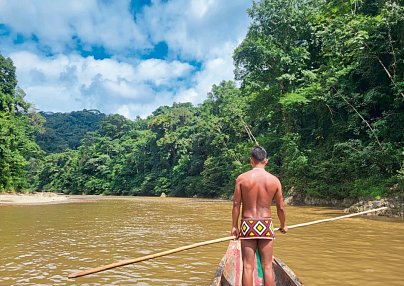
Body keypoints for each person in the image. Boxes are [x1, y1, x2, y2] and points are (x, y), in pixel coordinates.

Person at [231, 145, 287, 286]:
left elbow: (236, 205)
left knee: (248, 266)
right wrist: (283, 225)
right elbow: (280, 207)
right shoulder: (274, 180)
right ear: (266, 161)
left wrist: (234, 227)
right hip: (265, 224)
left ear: (251, 160)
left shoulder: (242, 179)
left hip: (248, 224)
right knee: (267, 266)